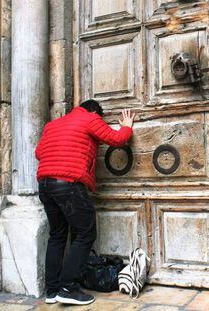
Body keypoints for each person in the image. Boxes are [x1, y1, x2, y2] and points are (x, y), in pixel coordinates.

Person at [35, 100, 135, 305]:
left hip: (45, 185)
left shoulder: (53, 125)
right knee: (85, 233)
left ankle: (52, 290)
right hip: (68, 184)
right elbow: (116, 139)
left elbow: (38, 153)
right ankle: (67, 288)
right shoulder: (91, 118)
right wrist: (126, 126)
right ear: (95, 112)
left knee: (57, 235)